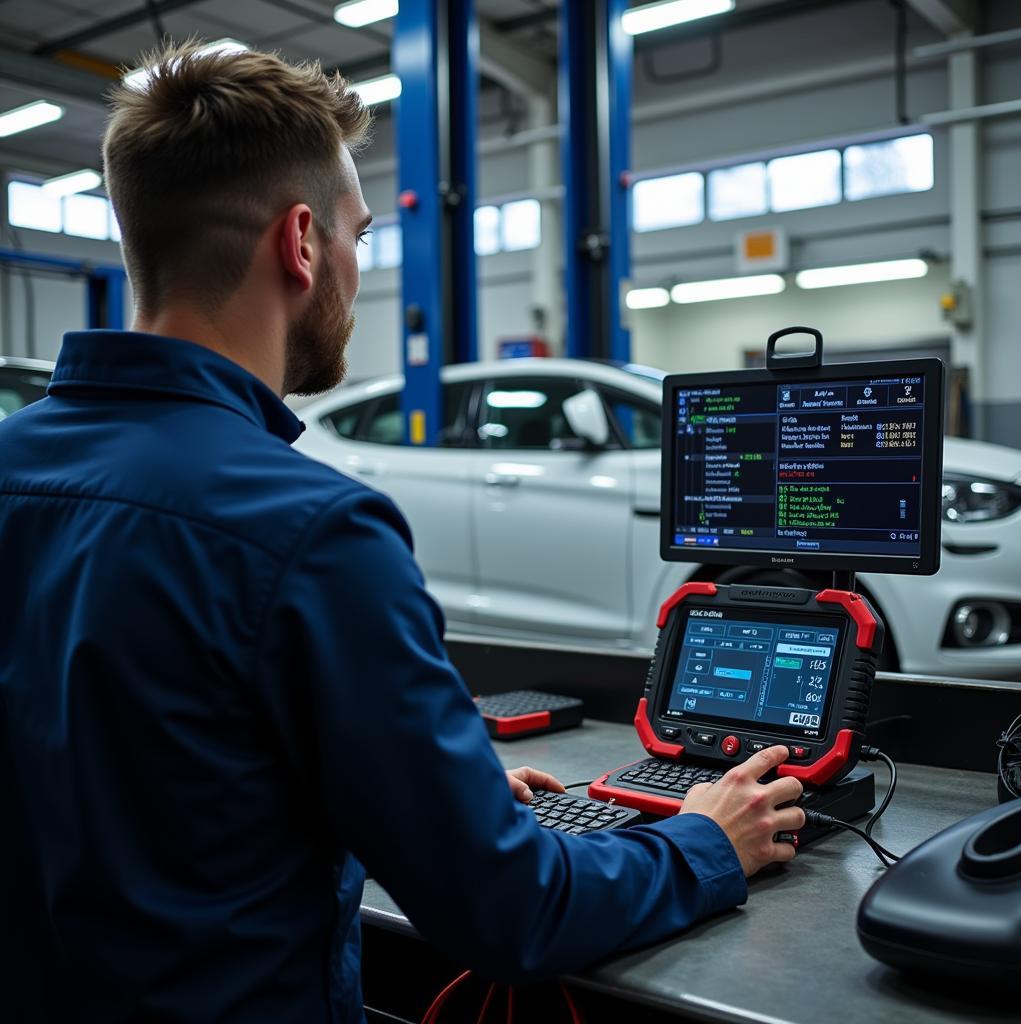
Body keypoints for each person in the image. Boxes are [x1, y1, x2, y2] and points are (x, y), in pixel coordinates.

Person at [0, 44, 804, 1023]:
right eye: (357, 233)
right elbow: (510, 916)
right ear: (301, 243)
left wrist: (418, 788)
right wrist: (704, 842)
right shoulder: (308, 531)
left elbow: (130, 774)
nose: (355, 260)